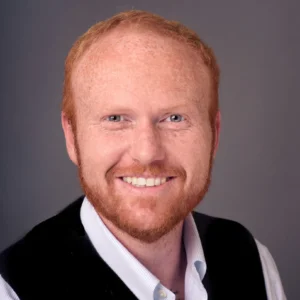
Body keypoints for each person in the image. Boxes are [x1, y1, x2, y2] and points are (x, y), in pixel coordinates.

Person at [0, 10, 286, 300]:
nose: (147, 153)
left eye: (174, 118)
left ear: (214, 134)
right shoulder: (11, 290)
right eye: (115, 119)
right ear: (71, 137)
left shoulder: (252, 260)